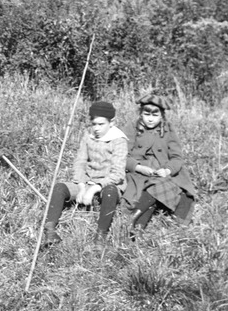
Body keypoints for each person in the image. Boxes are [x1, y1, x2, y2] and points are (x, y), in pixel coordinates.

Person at [42, 100, 128, 245]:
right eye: (94, 124)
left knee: (110, 192)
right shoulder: (88, 136)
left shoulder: (119, 140)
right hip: (87, 182)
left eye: (101, 124)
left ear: (111, 123)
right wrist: (82, 186)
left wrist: (94, 188)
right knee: (59, 188)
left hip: (108, 184)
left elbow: (117, 174)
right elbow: (80, 162)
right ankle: (50, 230)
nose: (96, 128)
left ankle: (101, 235)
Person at [123, 91, 196, 235]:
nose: (150, 119)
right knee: (146, 190)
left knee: (162, 185)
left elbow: (177, 157)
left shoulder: (168, 129)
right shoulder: (131, 127)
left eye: (155, 115)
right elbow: (122, 154)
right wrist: (138, 167)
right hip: (138, 171)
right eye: (146, 114)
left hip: (162, 170)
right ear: (140, 113)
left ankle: (136, 224)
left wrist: (168, 170)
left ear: (162, 115)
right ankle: (136, 226)